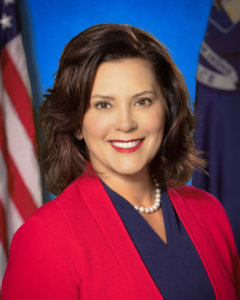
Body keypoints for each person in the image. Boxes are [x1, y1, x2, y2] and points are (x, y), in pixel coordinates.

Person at [2, 23, 240, 300]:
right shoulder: (44, 238)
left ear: (167, 108)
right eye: (104, 104)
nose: (126, 123)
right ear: (77, 122)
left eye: (143, 102)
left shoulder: (210, 213)